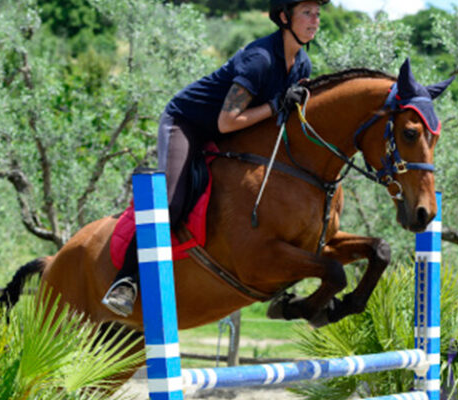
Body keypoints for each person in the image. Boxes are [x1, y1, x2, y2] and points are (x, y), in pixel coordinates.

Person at [102, 0, 328, 317]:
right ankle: (125, 280)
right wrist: (277, 105)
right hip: (188, 123)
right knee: (172, 203)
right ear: (283, 17)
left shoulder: (302, 64)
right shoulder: (259, 60)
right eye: (307, 13)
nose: (315, 20)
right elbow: (227, 121)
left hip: (230, 132)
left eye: (317, 14)